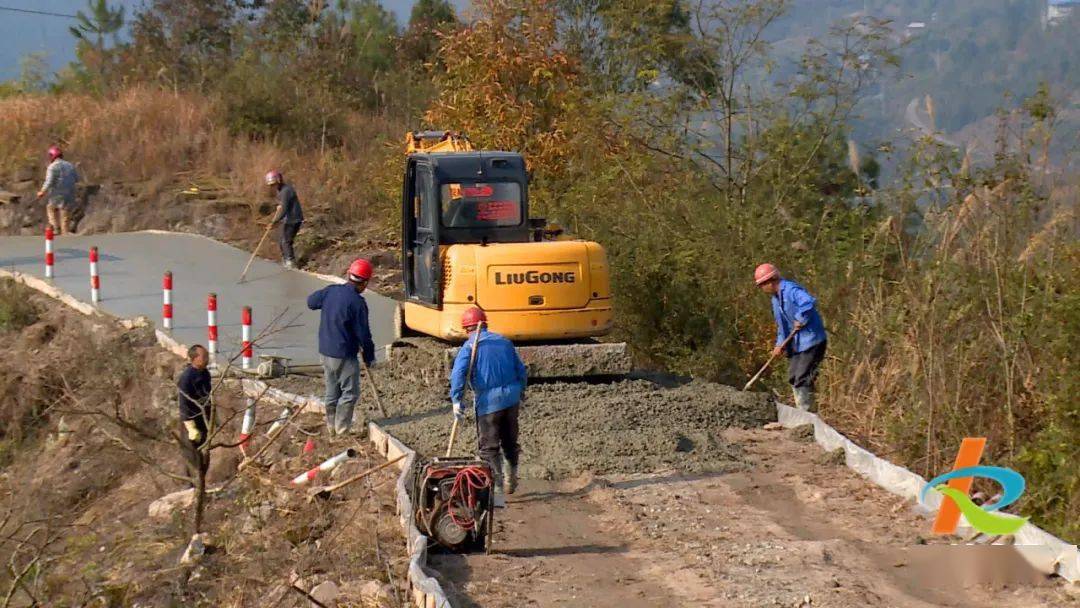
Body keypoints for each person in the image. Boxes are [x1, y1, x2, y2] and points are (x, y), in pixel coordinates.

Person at [450, 307, 527, 507]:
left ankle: (498, 491)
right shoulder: (504, 342)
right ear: (485, 324)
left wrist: (456, 399)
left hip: (488, 403)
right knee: (510, 440)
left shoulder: (469, 347)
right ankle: (512, 474)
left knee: (489, 447)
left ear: (467, 328)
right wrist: (521, 390)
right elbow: (521, 369)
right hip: (511, 399)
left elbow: (458, 373)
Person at [307, 258, 376, 436]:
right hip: (344, 354)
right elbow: (364, 334)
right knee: (349, 393)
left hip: (325, 351)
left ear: (348, 275)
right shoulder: (358, 303)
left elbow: (311, 302)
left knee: (332, 390)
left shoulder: (331, 291)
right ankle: (342, 430)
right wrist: (369, 357)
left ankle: (331, 427)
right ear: (365, 283)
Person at [754, 263, 827, 412]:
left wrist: (800, 318)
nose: (762, 288)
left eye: (762, 285)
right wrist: (779, 344)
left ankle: (807, 414)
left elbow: (808, 302)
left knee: (802, 377)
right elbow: (783, 327)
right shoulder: (775, 300)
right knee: (793, 377)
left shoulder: (791, 290)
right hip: (797, 344)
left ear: (771, 280)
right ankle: (804, 410)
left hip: (812, 341)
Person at [178, 344, 213, 485]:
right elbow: (183, 402)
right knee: (191, 453)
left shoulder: (205, 373)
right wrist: (189, 425)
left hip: (204, 418)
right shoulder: (187, 377)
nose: (207, 359)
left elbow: (208, 396)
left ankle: (201, 483)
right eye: (204, 357)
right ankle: (191, 485)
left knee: (204, 454)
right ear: (195, 359)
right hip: (191, 420)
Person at [36, 145, 80, 235]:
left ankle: (55, 228)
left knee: (50, 208)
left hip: (57, 195)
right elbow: (77, 179)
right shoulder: (70, 165)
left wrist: (42, 191)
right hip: (70, 195)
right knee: (64, 216)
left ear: (52, 156)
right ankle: (65, 234)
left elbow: (49, 181)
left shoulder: (52, 167)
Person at [265, 170, 304, 268]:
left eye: (274, 184)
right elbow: (283, 205)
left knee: (286, 241)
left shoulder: (286, 190)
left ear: (279, 181)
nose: (272, 187)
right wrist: (280, 206)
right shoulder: (281, 191)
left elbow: (285, 209)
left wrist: (274, 222)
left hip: (293, 219)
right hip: (288, 219)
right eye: (271, 185)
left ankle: (290, 262)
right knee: (281, 240)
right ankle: (286, 259)